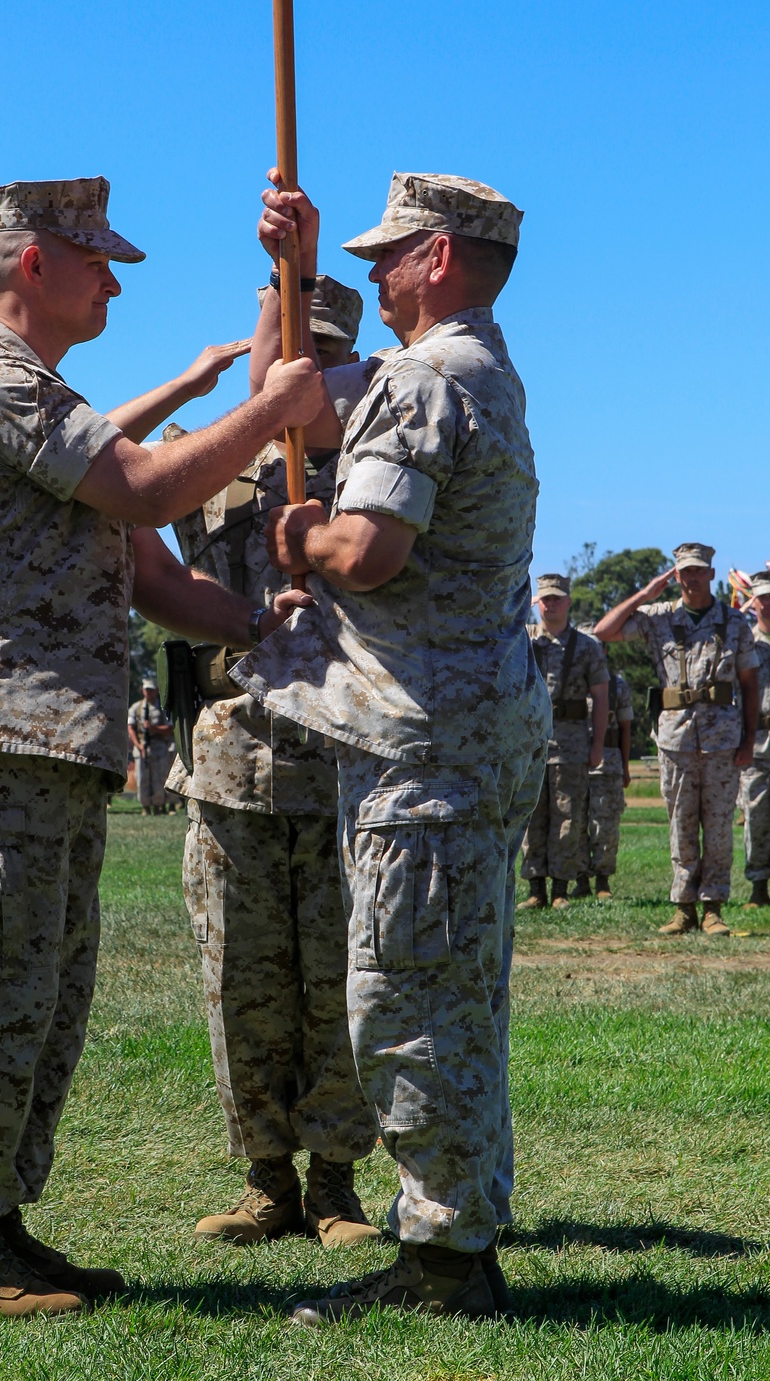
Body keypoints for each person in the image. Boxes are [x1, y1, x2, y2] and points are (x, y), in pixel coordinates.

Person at [0, 175, 323, 1317]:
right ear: (34, 262)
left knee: (43, 996)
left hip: (46, 745)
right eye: (97, 260)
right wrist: (269, 401)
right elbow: (144, 487)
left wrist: (249, 622)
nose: (114, 281)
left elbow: (149, 572)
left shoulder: (52, 402)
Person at [232, 169, 551, 1321]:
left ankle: (444, 1262)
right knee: (449, 988)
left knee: (412, 997)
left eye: (390, 252)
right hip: (459, 733)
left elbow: (370, 549)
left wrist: (308, 539)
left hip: (429, 745)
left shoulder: (430, 374)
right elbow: (303, 404)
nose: (373, 273)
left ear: (446, 257)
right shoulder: (471, 366)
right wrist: (293, 272)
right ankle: (455, 1236)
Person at [169, 275, 379, 1248]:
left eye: (326, 359)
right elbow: (132, 484)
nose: (305, 374)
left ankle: (336, 1183)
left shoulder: (384, 480)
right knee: (240, 983)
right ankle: (266, 1180)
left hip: (343, 765)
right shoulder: (212, 473)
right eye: (291, 354)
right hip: (230, 766)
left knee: (341, 979)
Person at [595, 544, 758, 935]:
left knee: (718, 827)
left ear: (712, 574)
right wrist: (647, 593)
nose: (693, 578)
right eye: (685, 572)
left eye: (700, 571)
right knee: (681, 824)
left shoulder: (734, 623)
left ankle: (713, 908)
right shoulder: (658, 617)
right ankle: (683, 907)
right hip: (676, 740)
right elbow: (604, 631)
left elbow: (751, 686)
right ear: (676, 575)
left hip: (722, 740)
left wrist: (749, 739)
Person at [519, 576, 608, 908]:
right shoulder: (522, 641)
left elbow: (601, 698)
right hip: (529, 743)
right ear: (536, 603)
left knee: (568, 816)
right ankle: (534, 888)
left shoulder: (587, 646)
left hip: (571, 742)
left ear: (568, 602)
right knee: (531, 815)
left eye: (557, 598)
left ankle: (560, 888)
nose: (550, 604)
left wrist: (597, 744)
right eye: (545, 599)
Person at [581, 659, 633, 900]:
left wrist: (625, 766)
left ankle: (603, 881)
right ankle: (580, 880)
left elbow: (625, 728)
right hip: (575, 761)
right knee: (574, 825)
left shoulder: (618, 686)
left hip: (608, 764)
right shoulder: (572, 683)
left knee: (606, 827)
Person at [740, 570, 770, 909]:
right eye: (763, 597)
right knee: (757, 817)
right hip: (757, 742)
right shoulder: (745, 644)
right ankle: (759, 888)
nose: (769, 603)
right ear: (754, 601)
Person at [127, 678, 174, 814]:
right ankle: (145, 806)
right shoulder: (136, 708)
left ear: (157, 690)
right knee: (142, 778)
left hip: (160, 746)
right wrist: (138, 745)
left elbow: (170, 728)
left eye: (152, 690)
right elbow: (131, 728)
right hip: (142, 747)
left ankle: (160, 805)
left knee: (160, 777)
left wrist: (154, 728)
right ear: (143, 690)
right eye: (147, 690)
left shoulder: (163, 708)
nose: (149, 693)